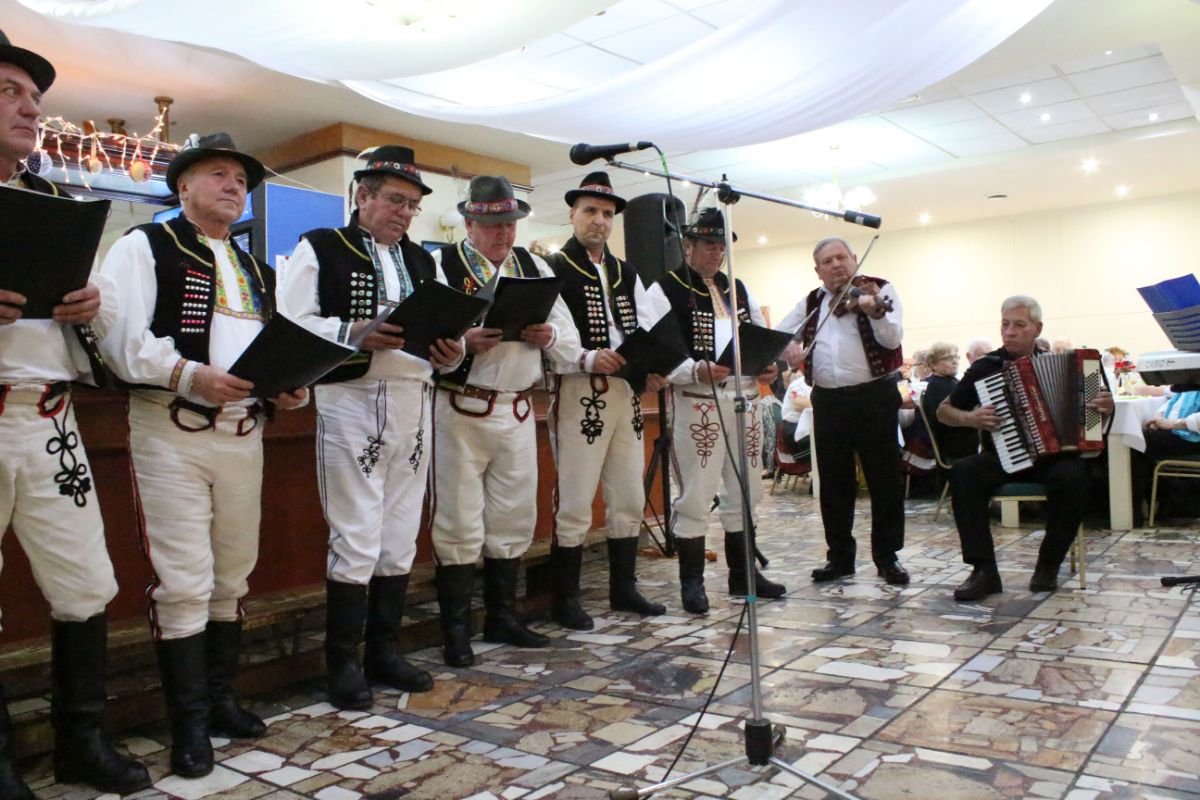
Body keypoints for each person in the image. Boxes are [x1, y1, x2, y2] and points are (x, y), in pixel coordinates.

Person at [98, 132, 308, 778]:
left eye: (240, 180)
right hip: (173, 430)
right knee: (185, 579)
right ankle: (187, 724)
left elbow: (270, 346)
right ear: (182, 184)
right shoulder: (145, 245)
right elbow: (118, 336)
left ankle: (220, 700)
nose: (232, 186)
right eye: (218, 174)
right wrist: (189, 375)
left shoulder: (255, 268)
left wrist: (289, 384)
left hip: (244, 434)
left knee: (233, 574)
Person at [0, 29, 150, 798]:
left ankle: (81, 742)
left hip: (51, 416)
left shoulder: (55, 201)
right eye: (8, 92)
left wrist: (94, 302)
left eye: (34, 97)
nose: (31, 109)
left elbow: (105, 315)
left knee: (86, 582)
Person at [277, 146, 462, 708]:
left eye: (412, 205)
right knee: (355, 533)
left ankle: (385, 652)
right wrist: (352, 332)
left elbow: (444, 339)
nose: (405, 213)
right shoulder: (320, 246)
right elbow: (289, 323)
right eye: (395, 201)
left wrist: (452, 353)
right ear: (362, 195)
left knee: (400, 534)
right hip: (350, 398)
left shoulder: (424, 262)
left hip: (414, 399)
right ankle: (343, 663)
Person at [430, 175, 580, 666]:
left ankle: (503, 616)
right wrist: (463, 341)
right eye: (494, 225)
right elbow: (424, 338)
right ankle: (456, 630)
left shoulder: (535, 267)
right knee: (458, 519)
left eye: (511, 224)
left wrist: (548, 336)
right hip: (460, 408)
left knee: (514, 516)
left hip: (517, 408)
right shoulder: (441, 265)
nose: (504, 233)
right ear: (469, 224)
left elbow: (569, 338)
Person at [645, 207, 786, 614]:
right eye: (708, 243)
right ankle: (692, 582)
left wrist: (770, 363)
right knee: (696, 492)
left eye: (721, 245)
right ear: (688, 244)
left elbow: (760, 333)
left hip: (745, 398)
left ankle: (743, 574)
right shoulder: (665, 289)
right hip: (698, 401)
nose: (717, 252)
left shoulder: (736, 287)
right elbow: (656, 345)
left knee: (747, 490)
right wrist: (693, 369)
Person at [544, 171, 666, 629]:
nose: (599, 221)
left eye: (608, 214)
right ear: (572, 214)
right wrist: (586, 357)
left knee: (629, 494)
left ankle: (624, 587)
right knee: (575, 497)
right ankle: (565, 598)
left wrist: (654, 365)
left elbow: (648, 326)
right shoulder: (554, 267)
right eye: (590, 211)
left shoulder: (625, 272)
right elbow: (554, 333)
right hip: (581, 389)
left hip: (626, 393)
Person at [936, 295, 1113, 601]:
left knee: (1075, 477)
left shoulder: (1072, 366)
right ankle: (983, 571)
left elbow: (1097, 417)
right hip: (1001, 456)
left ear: (1037, 328)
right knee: (964, 473)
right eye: (1005, 324)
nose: (1009, 332)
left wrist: (1106, 408)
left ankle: (1048, 565)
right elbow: (943, 411)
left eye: (1019, 325)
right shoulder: (985, 367)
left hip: (1053, 457)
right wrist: (970, 418)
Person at [778, 237, 909, 586]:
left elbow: (893, 338)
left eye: (841, 257)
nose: (836, 265)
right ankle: (839, 557)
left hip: (874, 395)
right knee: (834, 482)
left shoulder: (879, 290)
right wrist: (790, 348)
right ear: (817, 270)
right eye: (827, 261)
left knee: (884, 479)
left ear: (854, 258)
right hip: (828, 400)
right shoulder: (812, 301)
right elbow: (779, 333)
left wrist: (873, 311)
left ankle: (888, 557)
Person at [1130, 390, 1200, 521]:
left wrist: (1174, 423)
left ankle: (1134, 511)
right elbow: (1174, 398)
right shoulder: (1188, 384)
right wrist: (1160, 417)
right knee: (1139, 439)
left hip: (1193, 435)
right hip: (1181, 430)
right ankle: (1154, 502)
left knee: (1138, 443)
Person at [920, 341, 977, 461]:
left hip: (960, 447)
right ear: (933, 364)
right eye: (947, 358)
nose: (955, 361)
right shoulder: (939, 386)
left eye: (956, 356)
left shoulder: (948, 382)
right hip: (957, 451)